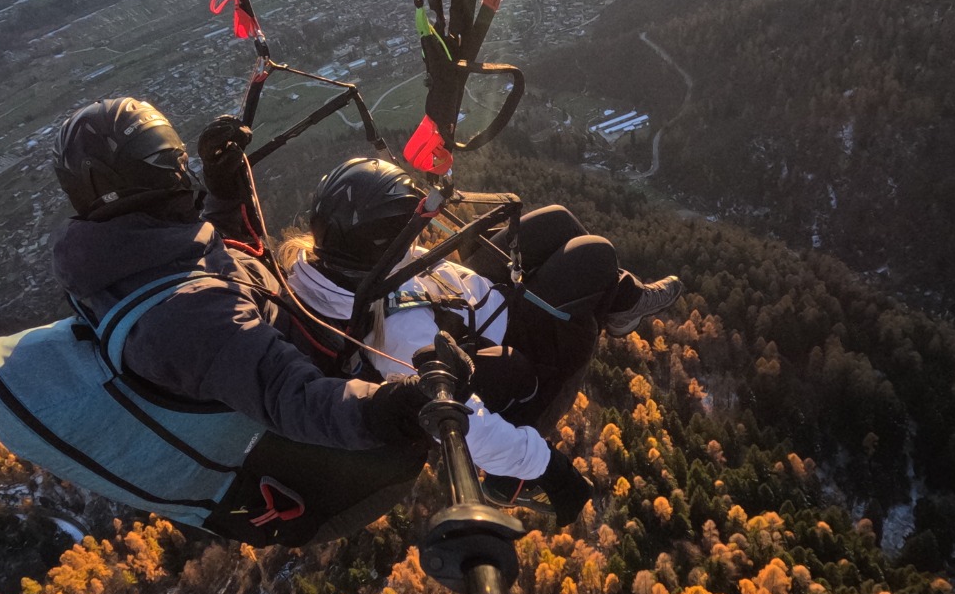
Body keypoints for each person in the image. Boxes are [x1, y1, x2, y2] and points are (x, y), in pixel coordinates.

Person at [280, 156, 681, 520]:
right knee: (594, 255)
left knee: (558, 220)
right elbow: (455, 418)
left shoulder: (344, 264)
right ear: (380, 243)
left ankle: (620, 300)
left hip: (462, 298)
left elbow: (417, 275)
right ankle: (615, 305)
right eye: (408, 227)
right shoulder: (400, 333)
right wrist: (544, 467)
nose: (416, 231)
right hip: (506, 350)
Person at [48, 98, 432, 454]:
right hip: (336, 367)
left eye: (177, 157)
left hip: (300, 316)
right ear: (120, 182)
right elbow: (289, 394)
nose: (181, 172)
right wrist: (392, 408)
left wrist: (225, 193)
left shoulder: (125, 252)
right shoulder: (187, 316)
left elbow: (217, 260)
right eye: (164, 162)